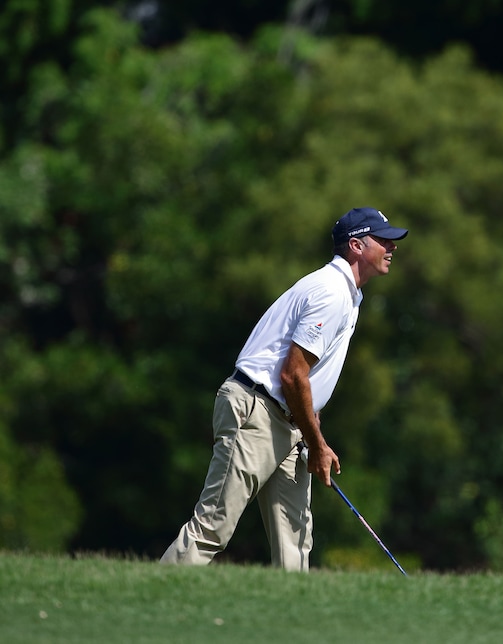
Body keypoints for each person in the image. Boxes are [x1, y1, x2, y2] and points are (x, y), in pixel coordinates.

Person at [160, 207, 409, 571]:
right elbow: (292, 375)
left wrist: (311, 429)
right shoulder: (331, 292)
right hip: (257, 412)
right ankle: (146, 599)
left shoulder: (347, 293)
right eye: (383, 240)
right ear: (356, 245)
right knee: (214, 525)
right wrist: (319, 445)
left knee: (295, 543)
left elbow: (308, 376)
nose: (392, 247)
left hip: (289, 421)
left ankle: (293, 623)